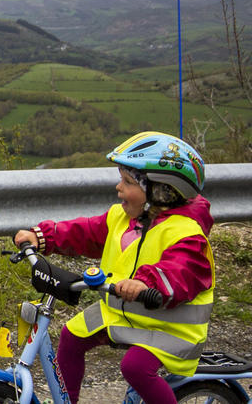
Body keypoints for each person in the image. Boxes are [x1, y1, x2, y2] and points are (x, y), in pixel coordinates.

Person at [13, 131, 213, 404]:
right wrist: (44, 236)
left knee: (135, 367)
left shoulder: (186, 233)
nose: (119, 187)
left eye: (128, 181)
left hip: (170, 327)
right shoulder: (122, 217)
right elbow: (85, 232)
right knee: (72, 336)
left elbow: (179, 270)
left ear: (159, 191)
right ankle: (66, 400)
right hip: (123, 313)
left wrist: (144, 283)